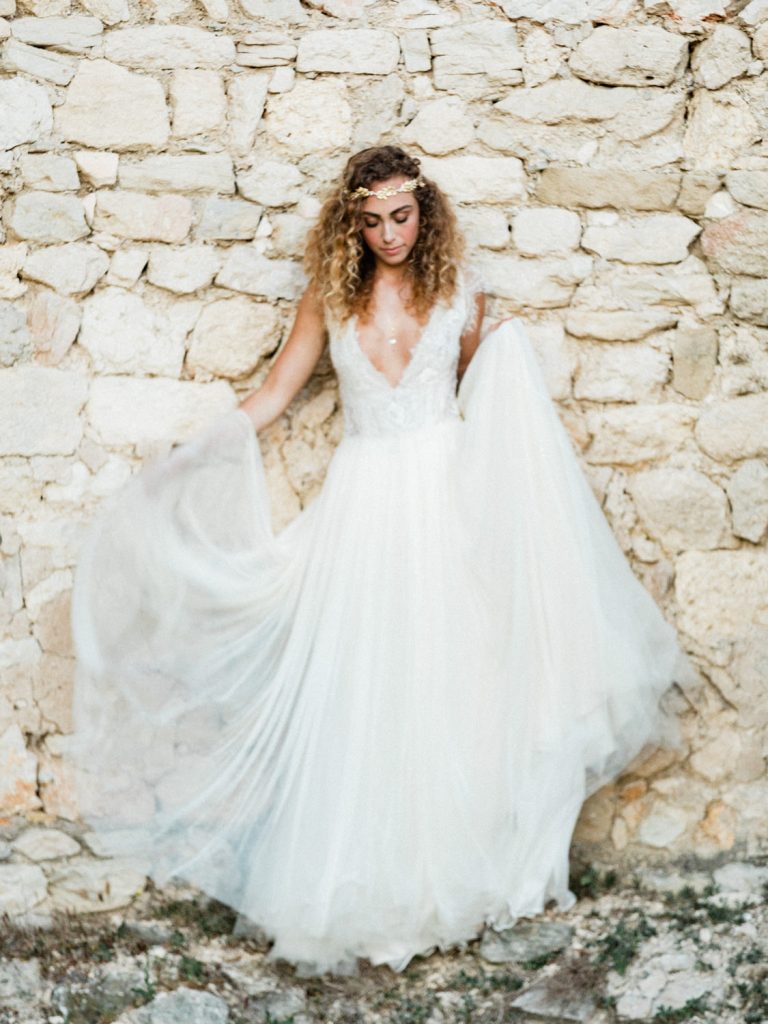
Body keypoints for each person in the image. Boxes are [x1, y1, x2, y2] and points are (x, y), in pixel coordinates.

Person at [69, 144, 697, 978]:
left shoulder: (459, 294)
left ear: (424, 213)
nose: (390, 234)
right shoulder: (329, 298)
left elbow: (491, 405)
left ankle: (460, 874)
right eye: (372, 221)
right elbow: (273, 394)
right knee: (367, 689)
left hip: (446, 504)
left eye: (402, 217)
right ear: (351, 223)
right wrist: (190, 455)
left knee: (456, 685)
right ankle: (367, 884)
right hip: (363, 512)